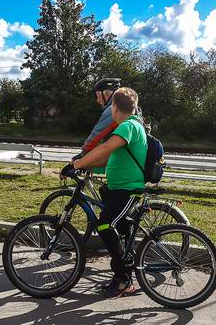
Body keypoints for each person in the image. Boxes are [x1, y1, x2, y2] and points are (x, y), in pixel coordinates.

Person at [60, 87, 147, 298]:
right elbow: (109, 159)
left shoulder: (128, 126)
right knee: (118, 230)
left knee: (105, 224)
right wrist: (83, 166)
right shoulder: (130, 126)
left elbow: (106, 148)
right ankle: (124, 274)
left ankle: (123, 278)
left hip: (127, 191)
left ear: (114, 107)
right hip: (120, 189)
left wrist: (80, 161)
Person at [72, 78, 121, 161]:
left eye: (98, 96)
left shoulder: (113, 110)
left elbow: (97, 134)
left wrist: (83, 155)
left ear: (106, 94)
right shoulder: (128, 108)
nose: (98, 101)